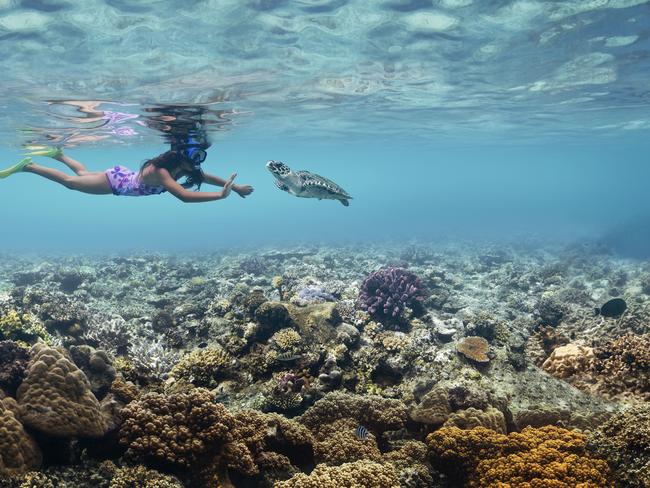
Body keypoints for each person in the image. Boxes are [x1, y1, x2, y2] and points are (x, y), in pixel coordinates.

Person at [0, 139, 254, 203]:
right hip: (118, 184)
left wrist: (238, 188)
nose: (197, 164)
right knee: (71, 183)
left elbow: (204, 177)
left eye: (199, 157)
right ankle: (29, 166)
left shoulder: (183, 165)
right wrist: (219, 196)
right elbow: (183, 196)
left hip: (120, 176)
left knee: (81, 174)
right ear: (180, 155)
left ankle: (59, 153)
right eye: (193, 158)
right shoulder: (163, 171)